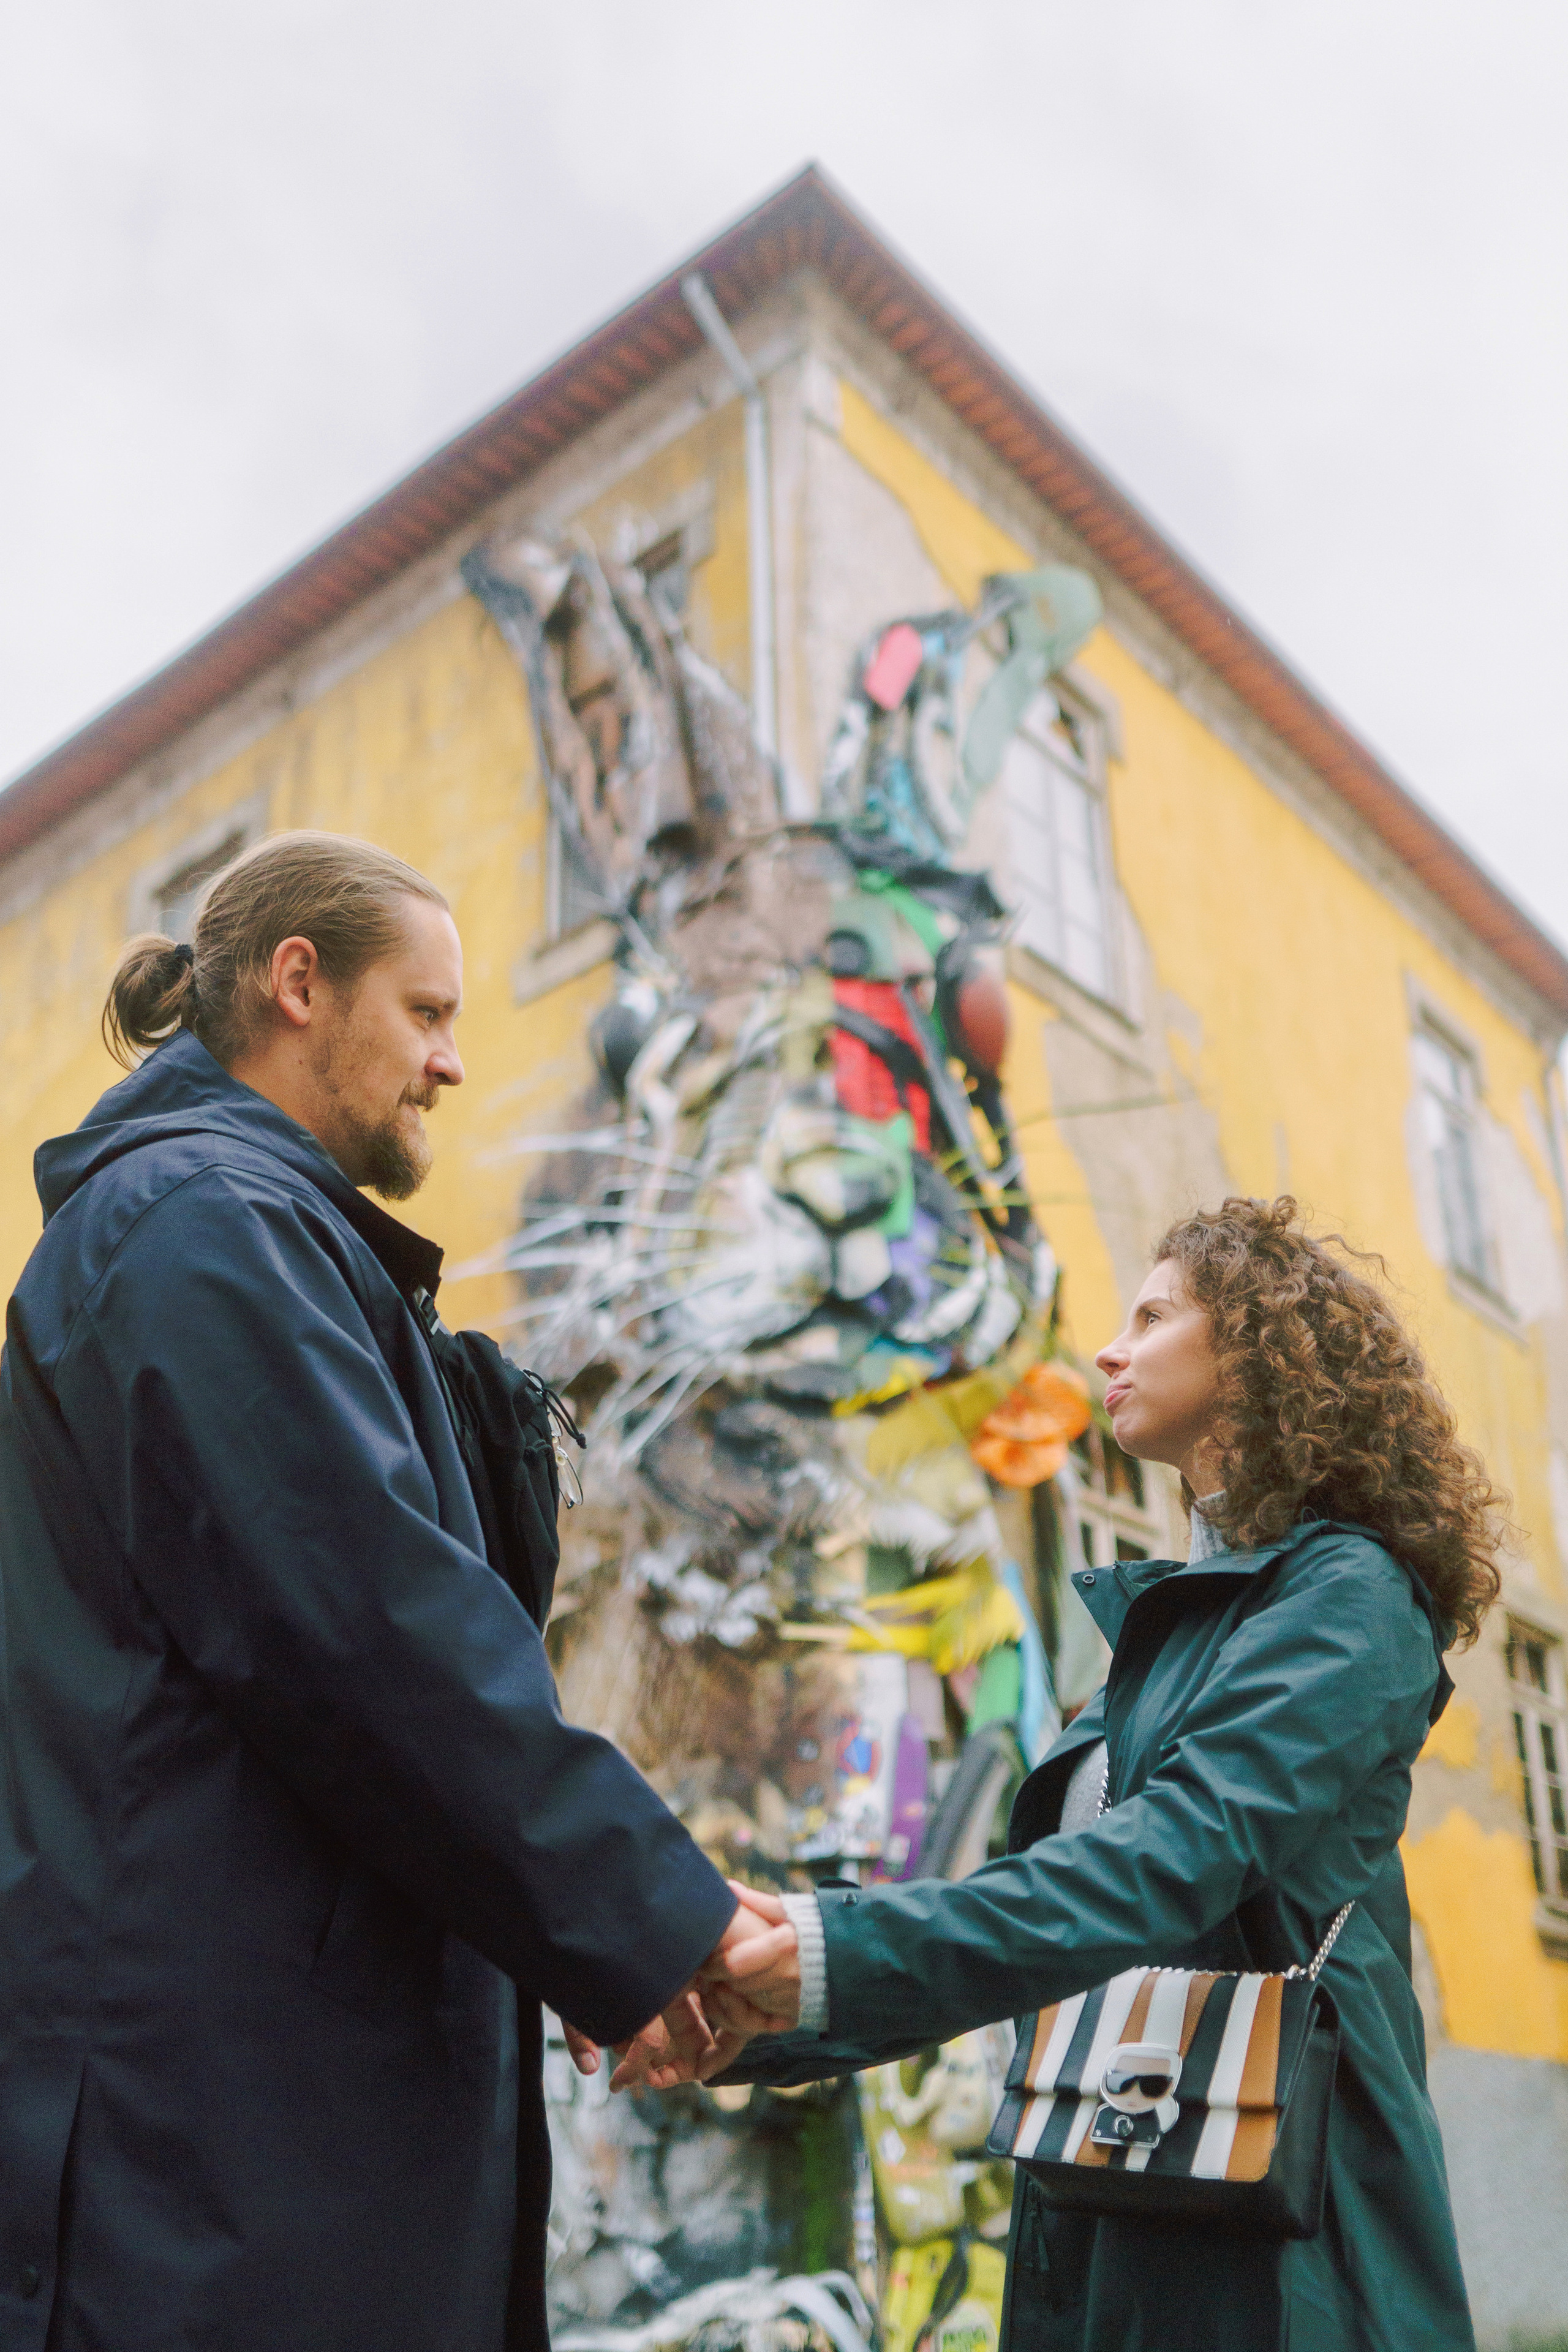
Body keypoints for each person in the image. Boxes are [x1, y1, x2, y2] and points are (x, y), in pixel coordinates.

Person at [0, 831, 787, 2352]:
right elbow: (369, 1634)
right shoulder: (199, 1228)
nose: (451, 1065)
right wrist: (643, 1913)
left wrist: (553, 1917)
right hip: (220, 2142)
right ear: (300, 985)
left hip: (266, 2106)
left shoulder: (250, 1233)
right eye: (426, 1015)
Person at [669, 1198, 1498, 2352]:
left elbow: (1172, 1859)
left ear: (1259, 1350)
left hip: (1283, 2242)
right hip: (1112, 2201)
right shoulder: (1167, 1631)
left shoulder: (1350, 1598)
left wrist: (821, 1952)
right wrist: (760, 2024)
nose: (1109, 1349)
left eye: (1153, 1316)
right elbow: (1039, 1923)